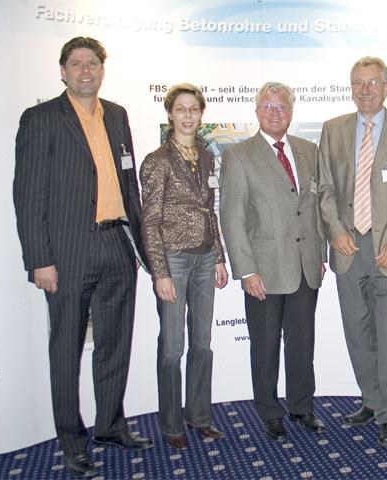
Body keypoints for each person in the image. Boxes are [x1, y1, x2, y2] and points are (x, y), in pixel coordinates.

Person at [13, 36, 151, 477]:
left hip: (116, 244)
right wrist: (39, 259)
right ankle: (71, 441)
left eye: (93, 63)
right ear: (63, 71)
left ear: (102, 70)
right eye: (77, 64)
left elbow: (129, 186)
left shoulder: (117, 115)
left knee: (114, 344)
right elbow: (28, 195)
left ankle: (110, 425)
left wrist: (139, 247)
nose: (86, 71)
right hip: (67, 253)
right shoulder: (40, 119)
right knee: (66, 349)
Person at [318, 56, 387, 447]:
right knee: (357, 331)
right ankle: (371, 400)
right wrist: (335, 232)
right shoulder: (333, 130)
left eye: (372, 83)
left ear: (386, 87)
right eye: (358, 83)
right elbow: (325, 189)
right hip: (348, 248)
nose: (365, 90)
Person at [220, 82, 326, 442]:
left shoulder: (308, 151)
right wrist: (246, 270)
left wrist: (320, 254)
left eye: (281, 107)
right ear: (257, 112)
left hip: (305, 266)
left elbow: (315, 207)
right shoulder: (239, 156)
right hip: (263, 270)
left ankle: (302, 406)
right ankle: (269, 410)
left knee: (303, 342)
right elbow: (232, 218)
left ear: (291, 112)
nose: (275, 113)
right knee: (265, 346)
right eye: (268, 107)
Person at [139, 83, 229, 450]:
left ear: (201, 114)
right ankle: (171, 422)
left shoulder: (206, 156)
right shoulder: (157, 160)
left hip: (205, 257)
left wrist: (219, 256)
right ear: (170, 114)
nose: (188, 115)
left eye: (194, 109)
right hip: (173, 259)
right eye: (181, 109)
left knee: (202, 344)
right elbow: (149, 222)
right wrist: (160, 273)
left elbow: (210, 211)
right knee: (173, 347)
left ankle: (199, 415)